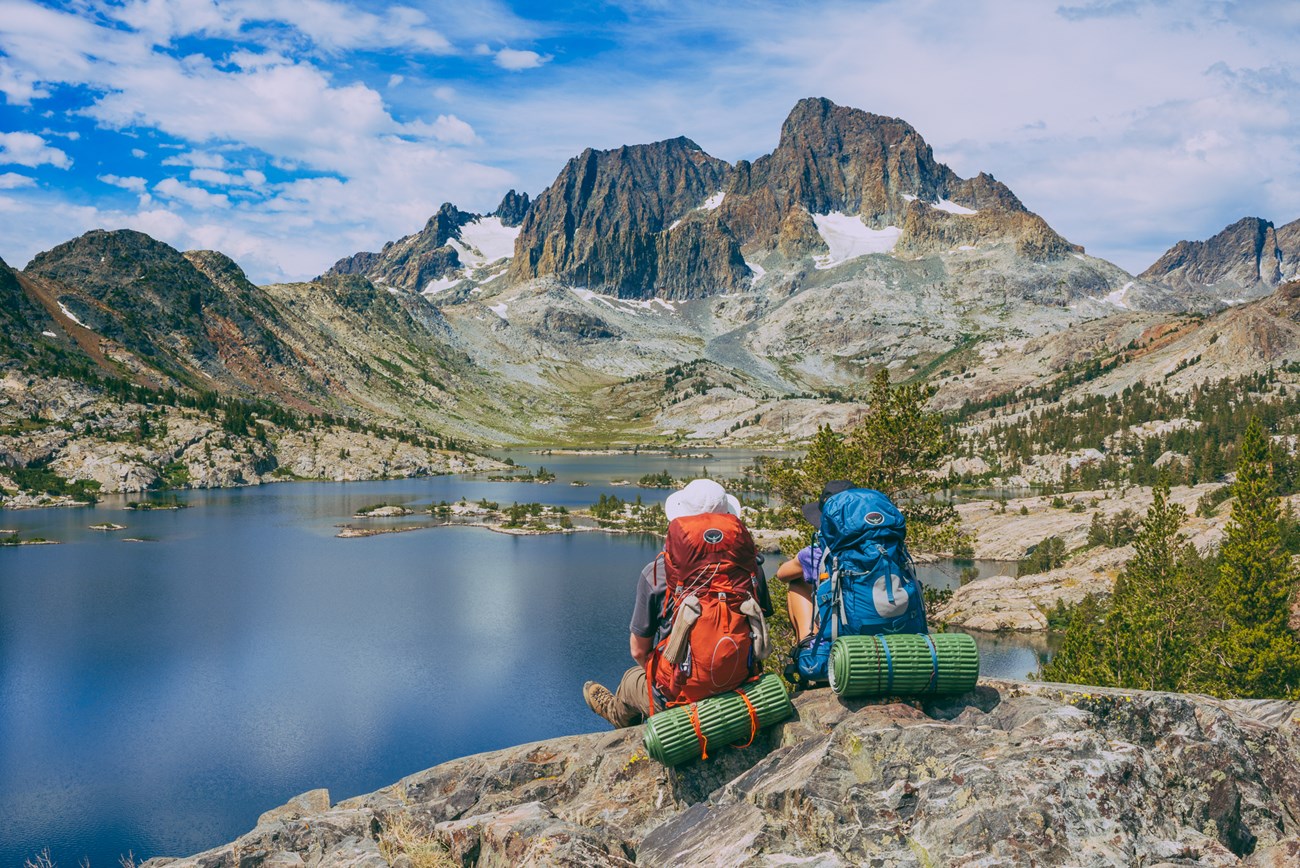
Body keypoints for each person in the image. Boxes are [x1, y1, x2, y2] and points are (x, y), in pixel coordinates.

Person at [583, 478, 772, 728]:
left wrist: (674, 672)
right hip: (740, 680)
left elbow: (638, 651)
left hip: (680, 693)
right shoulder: (751, 569)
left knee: (631, 680)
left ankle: (619, 715)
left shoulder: (657, 573)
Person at [772, 479, 857, 645]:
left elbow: (782, 574)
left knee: (796, 581)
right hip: (885, 629)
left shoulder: (817, 554)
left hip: (840, 635)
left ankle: (807, 643)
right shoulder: (883, 548)